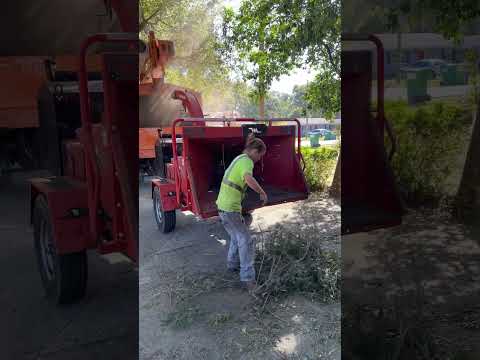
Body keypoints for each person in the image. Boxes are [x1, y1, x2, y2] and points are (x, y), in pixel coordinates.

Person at [216, 133, 268, 291]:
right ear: (254, 151)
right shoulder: (247, 161)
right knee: (246, 240)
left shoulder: (239, 158)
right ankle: (248, 279)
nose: (259, 159)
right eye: (260, 155)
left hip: (222, 206)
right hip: (230, 208)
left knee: (235, 236)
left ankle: (232, 265)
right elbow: (248, 178)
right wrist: (262, 192)